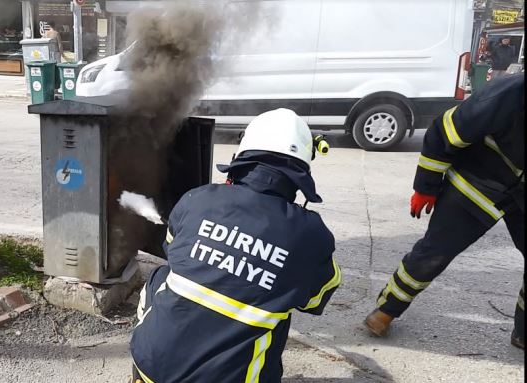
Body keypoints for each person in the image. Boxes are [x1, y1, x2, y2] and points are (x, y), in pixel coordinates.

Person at [130, 109, 342, 383]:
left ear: (241, 156)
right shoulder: (310, 234)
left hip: (151, 367)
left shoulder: (197, 198)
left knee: (162, 275)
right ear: (300, 172)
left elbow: (173, 252)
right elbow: (316, 299)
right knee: (278, 308)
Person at [364, 73, 524, 350]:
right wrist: (426, 185)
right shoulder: (509, 92)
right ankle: (386, 310)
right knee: (436, 251)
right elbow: (444, 130)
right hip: (477, 180)